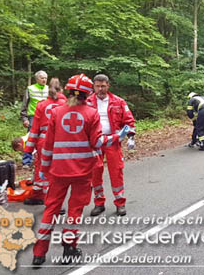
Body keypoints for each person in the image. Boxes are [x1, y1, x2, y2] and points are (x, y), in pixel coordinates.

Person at [32, 74, 129, 266]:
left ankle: (39, 254)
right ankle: (69, 249)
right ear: (88, 93)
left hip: (57, 172)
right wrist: (117, 136)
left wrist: (44, 169)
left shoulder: (57, 113)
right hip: (82, 172)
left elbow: (48, 145)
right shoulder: (91, 114)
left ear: (68, 91)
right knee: (74, 211)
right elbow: (97, 142)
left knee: (51, 209)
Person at [86, 74, 136, 217]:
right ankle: (99, 203)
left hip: (113, 141)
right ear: (93, 86)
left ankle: (120, 202)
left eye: (103, 86)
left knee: (116, 171)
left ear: (108, 85)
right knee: (95, 172)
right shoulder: (87, 102)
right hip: (95, 142)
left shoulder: (118, 101)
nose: (100, 89)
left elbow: (128, 120)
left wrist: (131, 137)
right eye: (97, 86)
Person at [21, 78, 67, 205]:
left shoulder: (41, 105)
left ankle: (48, 199)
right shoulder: (67, 104)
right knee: (58, 171)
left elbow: (34, 130)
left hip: (44, 142)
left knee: (42, 169)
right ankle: (48, 198)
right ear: (61, 89)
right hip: (62, 141)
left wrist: (28, 150)